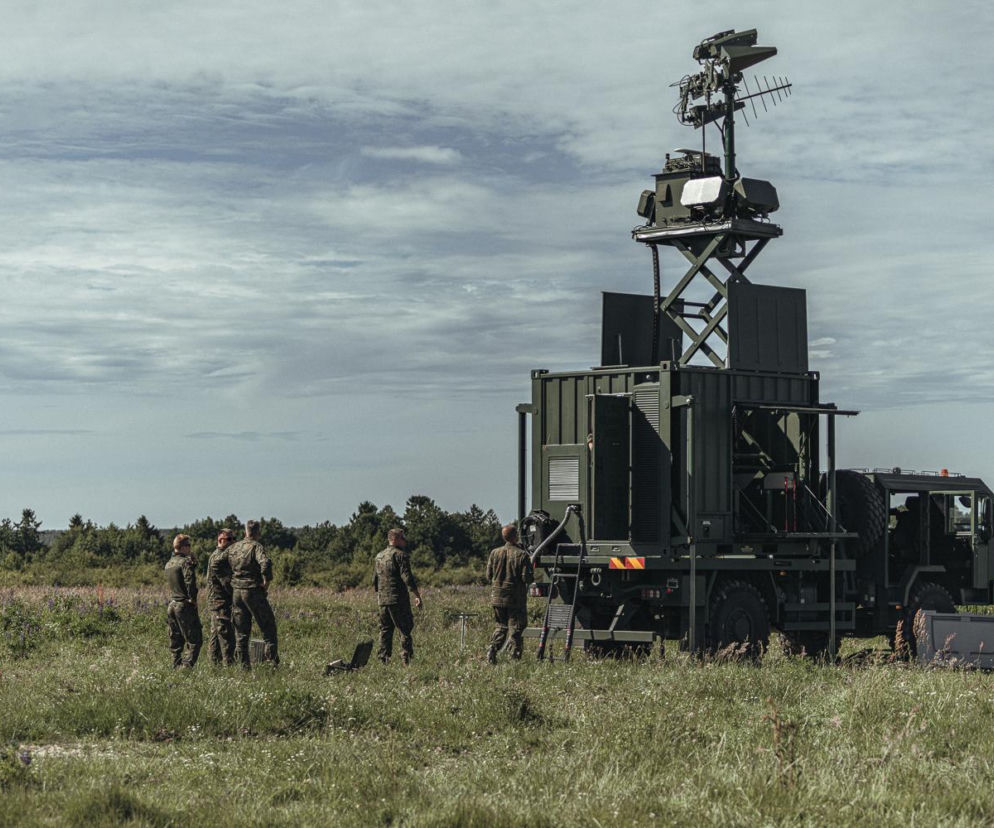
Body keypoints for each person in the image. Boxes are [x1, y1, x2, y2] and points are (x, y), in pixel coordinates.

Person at [225, 519, 279, 668]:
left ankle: (244, 667)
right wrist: (266, 583)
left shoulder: (234, 547)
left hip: (237, 592)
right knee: (268, 629)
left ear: (245, 532)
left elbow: (221, 563)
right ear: (258, 533)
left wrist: (230, 580)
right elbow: (265, 563)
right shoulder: (256, 547)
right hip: (252, 590)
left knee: (241, 633)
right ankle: (272, 664)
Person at [373, 528, 423, 665]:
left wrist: (380, 596)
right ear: (394, 539)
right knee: (404, 629)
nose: (404, 540)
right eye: (402, 538)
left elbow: (375, 580)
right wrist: (417, 595)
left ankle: (383, 660)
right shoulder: (401, 555)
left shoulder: (379, 556)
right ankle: (406, 660)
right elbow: (407, 577)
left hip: (383, 600)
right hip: (398, 599)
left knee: (385, 630)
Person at [486, 523, 534, 663]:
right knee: (516, 628)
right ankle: (514, 657)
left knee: (501, 626)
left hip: (497, 597)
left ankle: (492, 649)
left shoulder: (494, 553)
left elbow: (489, 575)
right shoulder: (522, 555)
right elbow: (527, 578)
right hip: (515, 598)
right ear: (516, 535)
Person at [164, 533, 202, 668]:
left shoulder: (169, 563)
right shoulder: (185, 562)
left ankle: (176, 665)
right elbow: (189, 581)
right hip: (184, 604)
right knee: (195, 640)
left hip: (172, 604)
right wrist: (193, 598)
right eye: (189, 546)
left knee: (176, 640)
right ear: (184, 547)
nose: (190, 549)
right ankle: (186, 667)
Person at [206, 528, 236, 665]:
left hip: (217, 602)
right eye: (228, 539)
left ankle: (214, 666)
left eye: (233, 539)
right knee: (226, 637)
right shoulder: (219, 558)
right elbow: (227, 583)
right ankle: (228, 666)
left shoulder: (220, 556)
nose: (232, 542)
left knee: (216, 636)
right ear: (220, 540)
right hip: (220, 602)